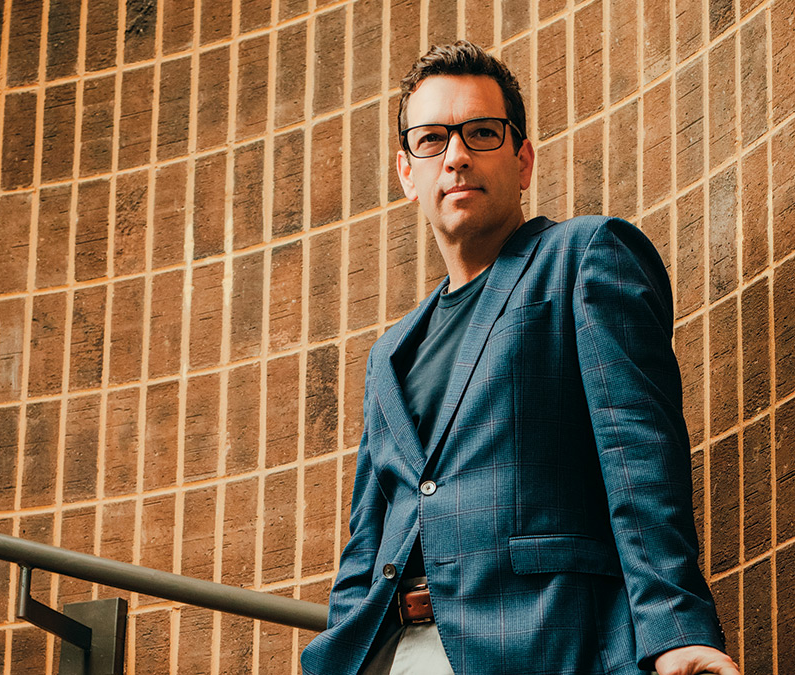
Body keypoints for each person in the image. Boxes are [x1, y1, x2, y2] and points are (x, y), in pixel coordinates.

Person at [300, 41, 740, 675]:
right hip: (395, 652)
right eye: (432, 140)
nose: (456, 156)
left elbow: (640, 458)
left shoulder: (584, 257)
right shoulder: (390, 354)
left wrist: (675, 628)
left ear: (523, 158)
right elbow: (367, 544)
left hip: (543, 639)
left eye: (482, 133)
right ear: (406, 172)